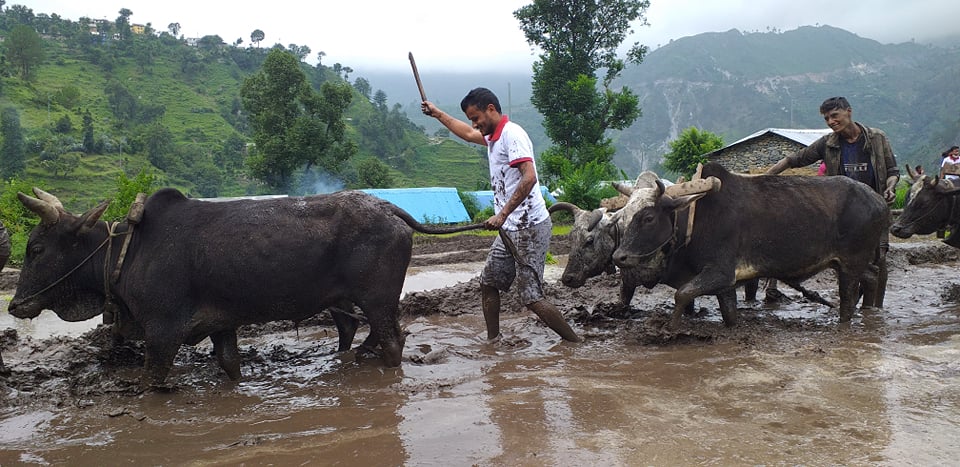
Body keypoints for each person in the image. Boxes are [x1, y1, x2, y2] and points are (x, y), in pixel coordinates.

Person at [420, 88, 581, 343]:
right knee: (488, 283)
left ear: (491, 109)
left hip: (529, 227)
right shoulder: (493, 138)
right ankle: (493, 341)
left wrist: (502, 214)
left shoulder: (512, 135)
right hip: (509, 228)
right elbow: (467, 134)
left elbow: (530, 177)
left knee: (531, 297)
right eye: (471, 119)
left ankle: (574, 343)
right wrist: (437, 114)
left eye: (476, 118)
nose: (475, 125)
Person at [766, 96, 899, 308]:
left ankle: (873, 311)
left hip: (875, 211)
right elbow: (794, 159)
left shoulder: (877, 138)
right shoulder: (828, 143)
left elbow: (892, 171)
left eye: (835, 115)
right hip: (845, 216)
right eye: (827, 118)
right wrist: (764, 178)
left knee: (878, 259)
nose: (831, 121)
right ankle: (852, 307)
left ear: (849, 111)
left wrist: (890, 188)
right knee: (847, 262)